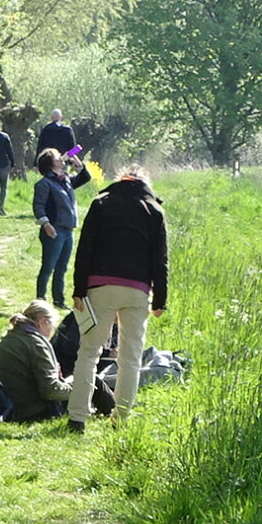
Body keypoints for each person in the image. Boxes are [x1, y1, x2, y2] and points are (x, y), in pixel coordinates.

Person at [69, 164, 169, 433]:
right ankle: (120, 419)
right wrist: (160, 300)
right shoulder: (155, 211)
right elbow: (160, 260)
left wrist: (79, 289)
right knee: (130, 357)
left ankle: (77, 417)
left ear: (120, 179)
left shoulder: (100, 204)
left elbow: (84, 249)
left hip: (99, 286)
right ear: (144, 182)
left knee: (89, 352)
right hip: (137, 290)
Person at [0, 301, 110, 423]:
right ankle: (116, 414)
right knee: (93, 381)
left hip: (8, 404)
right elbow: (51, 390)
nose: (52, 330)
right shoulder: (37, 344)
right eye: (52, 325)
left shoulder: (10, 338)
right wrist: (83, 391)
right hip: (31, 410)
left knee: (84, 381)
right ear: (43, 322)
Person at [30, 147, 90, 306]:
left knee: (62, 268)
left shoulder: (65, 180)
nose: (61, 159)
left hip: (68, 230)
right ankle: (40, 301)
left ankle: (58, 301)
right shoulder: (44, 183)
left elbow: (85, 178)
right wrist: (46, 224)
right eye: (57, 157)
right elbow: (38, 207)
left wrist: (78, 164)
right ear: (50, 163)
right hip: (54, 230)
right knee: (48, 266)